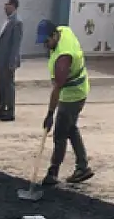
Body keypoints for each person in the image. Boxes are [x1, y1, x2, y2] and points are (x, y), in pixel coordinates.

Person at [38, 19, 94, 187]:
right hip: (80, 88)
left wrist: (49, 114)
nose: (46, 45)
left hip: (72, 95)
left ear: (54, 35)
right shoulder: (64, 30)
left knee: (60, 133)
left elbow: (57, 89)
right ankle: (83, 166)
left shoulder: (63, 58)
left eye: (47, 41)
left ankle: (53, 172)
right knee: (70, 127)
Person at [0, 0, 23, 121]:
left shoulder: (17, 22)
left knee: (8, 85)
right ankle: (1, 108)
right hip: (2, 59)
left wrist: (12, 61)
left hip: (9, 60)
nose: (5, 7)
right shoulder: (8, 20)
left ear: (13, 6)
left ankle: (10, 111)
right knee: (1, 85)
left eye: (7, 4)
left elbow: (16, 45)